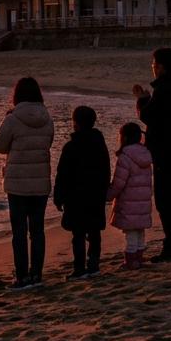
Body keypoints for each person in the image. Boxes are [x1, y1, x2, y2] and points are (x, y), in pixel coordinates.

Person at [0, 76, 55, 290]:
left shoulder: (12, 119)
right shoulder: (47, 118)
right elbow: (49, 142)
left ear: (16, 95)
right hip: (40, 182)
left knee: (19, 231)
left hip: (17, 183)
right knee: (37, 230)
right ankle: (36, 274)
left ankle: (21, 276)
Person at [132, 46, 171, 262]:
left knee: (166, 200)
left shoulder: (166, 88)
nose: (153, 68)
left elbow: (150, 116)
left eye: (154, 65)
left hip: (166, 152)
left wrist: (141, 100)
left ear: (161, 66)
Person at [53, 105, 111, 280]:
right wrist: (104, 189)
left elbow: (62, 174)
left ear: (75, 124)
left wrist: (58, 196)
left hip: (75, 197)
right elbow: (106, 169)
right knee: (94, 232)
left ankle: (79, 267)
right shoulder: (100, 144)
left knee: (78, 233)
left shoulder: (71, 147)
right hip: (95, 195)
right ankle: (93, 265)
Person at [106, 121, 153, 269]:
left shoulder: (125, 157)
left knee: (131, 233)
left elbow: (119, 183)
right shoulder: (145, 154)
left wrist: (109, 195)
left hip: (129, 202)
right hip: (143, 201)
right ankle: (139, 258)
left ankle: (131, 260)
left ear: (124, 138)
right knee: (139, 231)